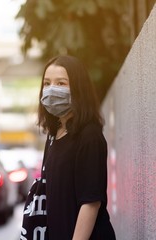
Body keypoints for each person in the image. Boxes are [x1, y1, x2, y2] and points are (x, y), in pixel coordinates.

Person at [20, 55, 116, 239]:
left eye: (61, 83)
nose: (51, 89)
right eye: (46, 83)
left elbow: (90, 203)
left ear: (78, 89)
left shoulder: (89, 136)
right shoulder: (54, 135)